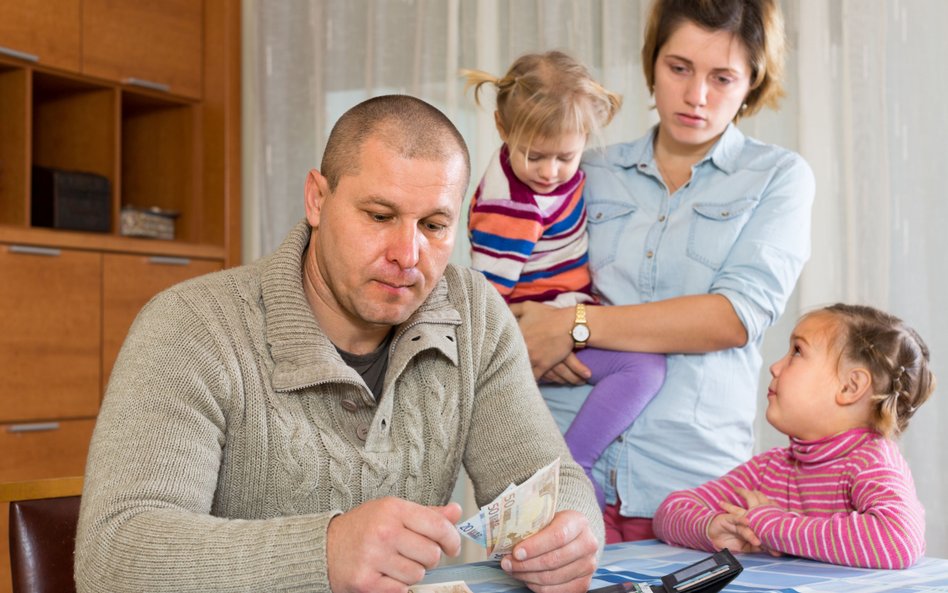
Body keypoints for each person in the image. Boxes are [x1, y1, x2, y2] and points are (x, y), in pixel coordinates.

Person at [74, 95, 602, 593]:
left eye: (434, 225)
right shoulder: (190, 327)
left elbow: (553, 481)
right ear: (317, 200)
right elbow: (113, 556)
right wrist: (323, 552)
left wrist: (572, 536)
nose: (408, 254)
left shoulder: (476, 314)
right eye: (379, 216)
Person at [511, 0, 815, 544]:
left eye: (722, 77)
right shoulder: (588, 165)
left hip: (690, 490)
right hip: (552, 468)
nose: (696, 96)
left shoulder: (779, 178)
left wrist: (572, 326)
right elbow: (516, 272)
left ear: (752, 82)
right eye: (679, 68)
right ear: (652, 63)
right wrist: (531, 330)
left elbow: (732, 317)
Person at [463, 51, 666, 510]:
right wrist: (524, 352)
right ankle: (576, 463)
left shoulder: (548, 174)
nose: (550, 172)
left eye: (565, 157)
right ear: (501, 128)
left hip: (564, 311)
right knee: (645, 367)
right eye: (535, 156)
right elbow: (487, 299)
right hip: (542, 321)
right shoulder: (510, 209)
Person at [654, 304, 936, 569]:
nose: (775, 367)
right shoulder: (769, 469)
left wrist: (772, 525)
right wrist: (711, 528)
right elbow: (670, 511)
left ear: (851, 386)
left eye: (797, 352)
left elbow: (898, 540)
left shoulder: (872, 460)